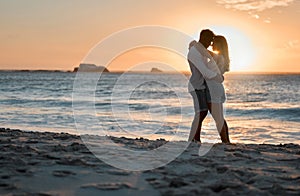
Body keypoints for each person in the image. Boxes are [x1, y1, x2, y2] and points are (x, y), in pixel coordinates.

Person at [187, 29, 230, 143]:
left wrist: (218, 77)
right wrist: (219, 77)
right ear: (204, 38)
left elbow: (208, 70)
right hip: (201, 87)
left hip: (212, 88)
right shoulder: (198, 52)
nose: (211, 44)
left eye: (213, 42)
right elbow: (205, 70)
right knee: (204, 113)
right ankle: (195, 139)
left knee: (214, 116)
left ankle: (224, 141)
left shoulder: (217, 57)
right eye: (210, 41)